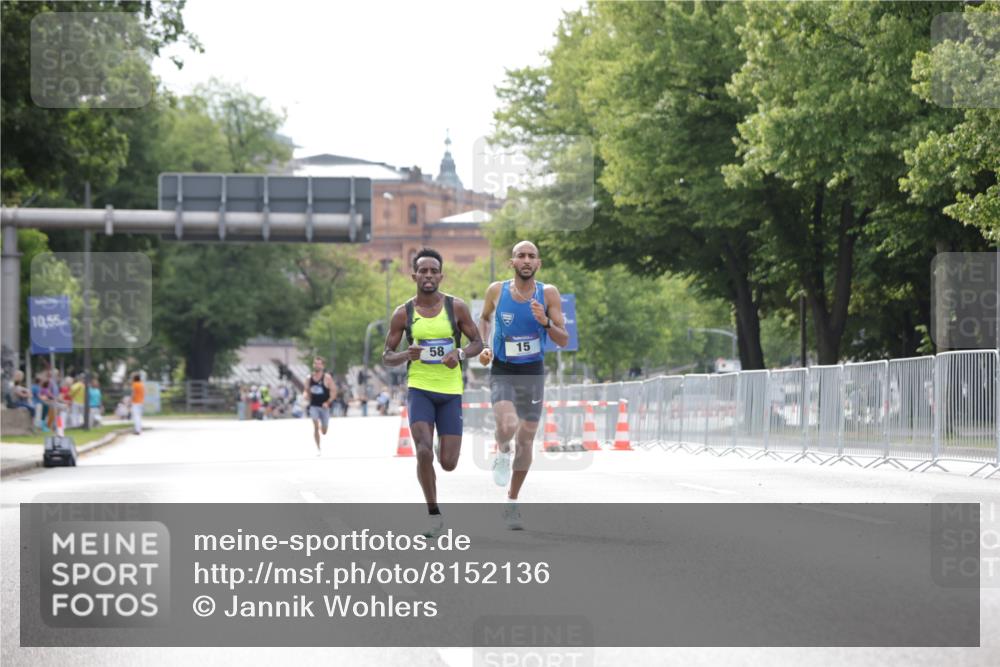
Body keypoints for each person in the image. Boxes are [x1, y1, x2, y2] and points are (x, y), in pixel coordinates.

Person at [382, 248, 483, 538]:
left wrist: (460, 352)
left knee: (448, 463)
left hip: (450, 391)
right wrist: (406, 355)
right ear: (414, 275)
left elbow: (478, 342)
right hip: (420, 390)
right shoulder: (403, 313)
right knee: (423, 451)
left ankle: (442, 446)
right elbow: (386, 355)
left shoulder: (457, 307)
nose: (428, 276)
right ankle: (433, 513)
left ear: (441, 275)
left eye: (433, 271)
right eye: (422, 271)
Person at [478, 241, 569, 529]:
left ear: (538, 264)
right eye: (521, 256)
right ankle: (502, 452)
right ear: (512, 262)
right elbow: (483, 318)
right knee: (506, 425)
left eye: (531, 256)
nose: (526, 260)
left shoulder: (548, 293)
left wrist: (544, 323)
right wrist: (483, 346)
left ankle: (512, 501)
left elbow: (563, 339)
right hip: (503, 368)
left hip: (532, 370)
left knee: (527, 438)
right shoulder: (497, 290)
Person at [305, 357, 336, 454]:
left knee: (324, 431)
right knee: (315, 426)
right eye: (315, 364)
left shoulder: (327, 378)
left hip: (324, 407)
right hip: (314, 405)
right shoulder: (309, 378)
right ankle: (318, 448)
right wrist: (305, 395)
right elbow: (306, 390)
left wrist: (328, 402)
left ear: (323, 366)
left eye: (319, 364)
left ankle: (321, 426)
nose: (317, 366)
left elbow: (334, 391)